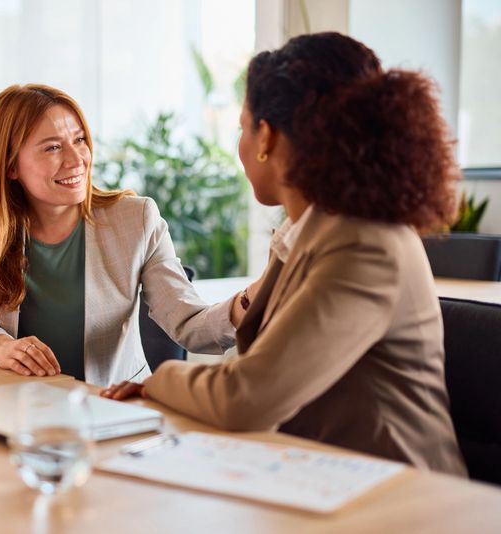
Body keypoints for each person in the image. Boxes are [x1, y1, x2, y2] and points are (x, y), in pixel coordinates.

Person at [102, 32, 467, 475]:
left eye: (242, 125)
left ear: (266, 137)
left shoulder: (363, 245)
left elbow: (248, 397)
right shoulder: (309, 230)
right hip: (316, 476)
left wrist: (157, 380)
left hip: (400, 501)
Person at [0, 84, 259, 387]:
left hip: (110, 408)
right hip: (17, 407)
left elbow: (190, 325)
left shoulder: (135, 220)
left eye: (79, 139)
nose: (76, 159)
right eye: (53, 147)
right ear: (11, 165)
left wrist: (249, 300)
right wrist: (0, 345)